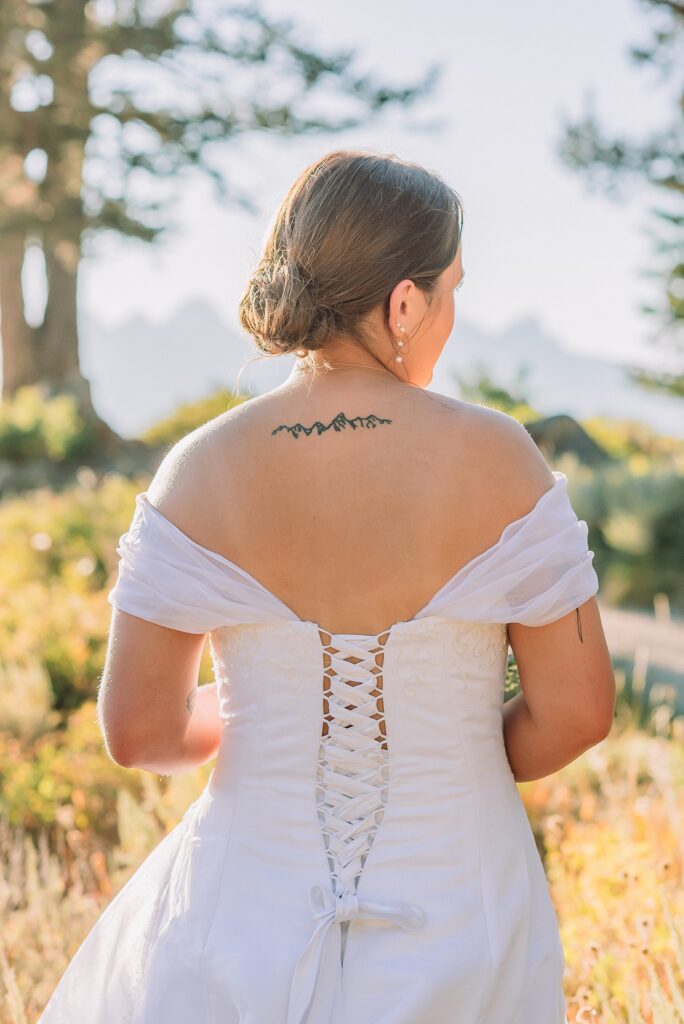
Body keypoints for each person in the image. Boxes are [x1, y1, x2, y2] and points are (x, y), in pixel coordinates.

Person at [38, 149, 616, 1024]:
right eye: (451, 289)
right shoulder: (500, 457)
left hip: (237, 915)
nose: (451, 316)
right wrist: (441, 749)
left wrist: (264, 719)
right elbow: (578, 713)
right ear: (405, 303)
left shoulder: (197, 468)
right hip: (464, 913)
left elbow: (139, 730)